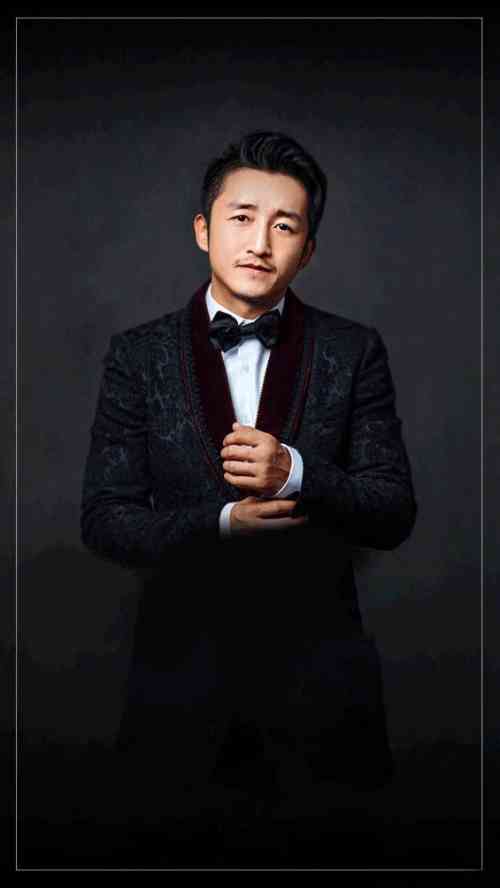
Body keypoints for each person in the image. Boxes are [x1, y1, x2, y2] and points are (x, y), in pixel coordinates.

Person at [80, 130, 417, 839]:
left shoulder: (354, 350)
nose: (260, 243)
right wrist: (219, 523)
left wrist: (298, 472)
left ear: (308, 250)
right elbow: (105, 519)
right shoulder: (138, 355)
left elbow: (392, 511)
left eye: (284, 226)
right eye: (241, 217)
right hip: (179, 689)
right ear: (204, 230)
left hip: (321, 695)